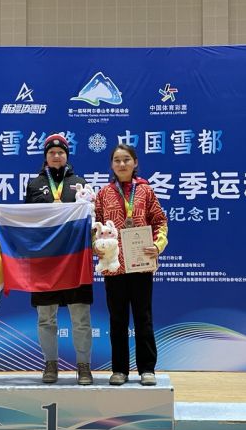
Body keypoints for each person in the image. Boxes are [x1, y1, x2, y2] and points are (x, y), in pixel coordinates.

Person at [94, 144, 168, 386]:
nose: (122, 164)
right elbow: (95, 226)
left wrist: (157, 245)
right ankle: (119, 369)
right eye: (117, 160)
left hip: (140, 264)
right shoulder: (103, 194)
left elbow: (160, 221)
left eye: (126, 159)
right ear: (111, 165)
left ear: (135, 162)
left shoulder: (146, 191)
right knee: (117, 320)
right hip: (113, 265)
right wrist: (96, 245)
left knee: (143, 317)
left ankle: (147, 369)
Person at [24, 133, 94, 385]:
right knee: (45, 318)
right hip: (44, 261)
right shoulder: (34, 185)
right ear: (45, 157)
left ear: (67, 156)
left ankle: (83, 366)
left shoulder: (80, 184)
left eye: (61, 152)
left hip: (74, 260)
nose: (56, 156)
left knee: (81, 317)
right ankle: (50, 364)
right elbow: (26, 221)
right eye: (52, 153)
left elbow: (90, 220)